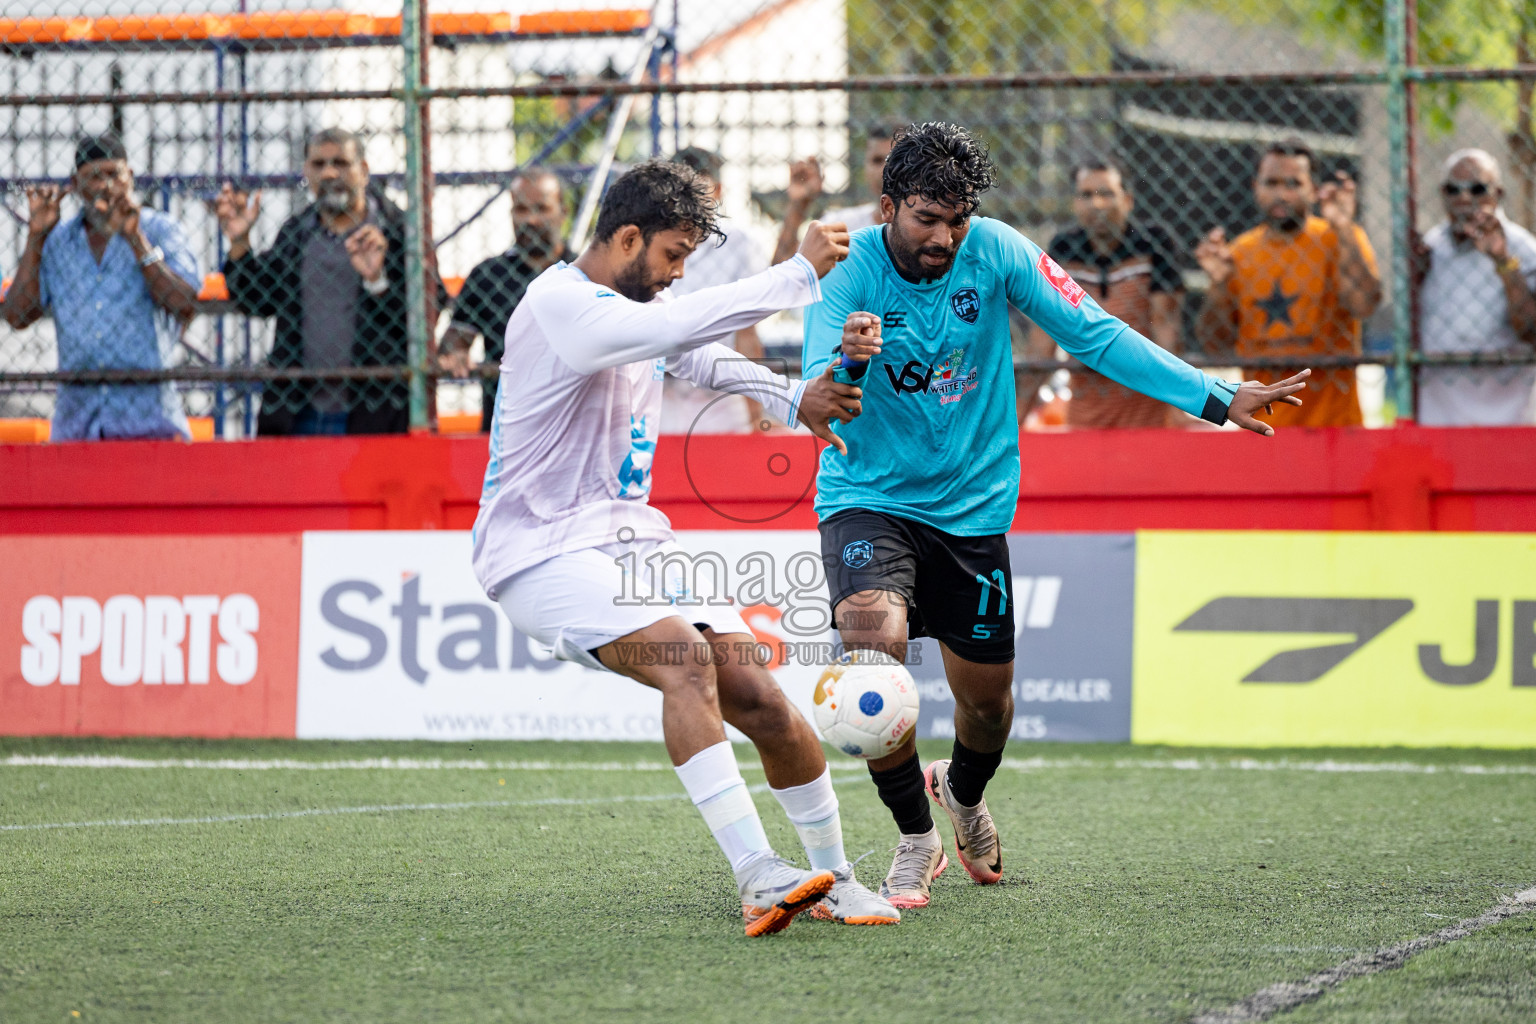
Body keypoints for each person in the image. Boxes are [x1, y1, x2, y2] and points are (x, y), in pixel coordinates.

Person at [803, 121, 1310, 910]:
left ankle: (961, 795)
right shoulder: (848, 271)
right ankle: (913, 836)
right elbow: (815, 391)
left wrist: (1214, 396)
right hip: (868, 498)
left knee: (987, 705)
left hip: (971, 508)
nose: (943, 238)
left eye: (956, 220)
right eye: (926, 220)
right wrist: (844, 362)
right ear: (888, 205)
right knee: (873, 652)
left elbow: (1096, 335)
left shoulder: (1000, 249)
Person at [470, 159, 899, 935]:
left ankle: (837, 877)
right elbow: (672, 328)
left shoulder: (630, 305)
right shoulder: (559, 304)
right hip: (538, 553)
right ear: (627, 236)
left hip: (624, 540)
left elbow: (695, 353)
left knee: (760, 694)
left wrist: (792, 394)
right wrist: (797, 273)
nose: (675, 275)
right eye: (671, 255)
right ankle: (758, 874)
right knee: (687, 661)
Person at [215, 127, 442, 436]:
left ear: (363, 171)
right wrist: (240, 244)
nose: (330, 173)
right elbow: (257, 300)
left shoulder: (401, 232)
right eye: (319, 165)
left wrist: (378, 281)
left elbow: (427, 316)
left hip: (375, 414)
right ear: (306, 172)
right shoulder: (298, 233)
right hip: (298, 413)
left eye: (341, 163)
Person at [4, 133, 200, 441]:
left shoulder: (160, 229)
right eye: (94, 176)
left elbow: (184, 304)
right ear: (76, 184)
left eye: (114, 174)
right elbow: (17, 314)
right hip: (77, 426)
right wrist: (36, 236)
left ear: (130, 177)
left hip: (149, 424)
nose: (106, 186)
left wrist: (136, 240)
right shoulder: (57, 242)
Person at [1195, 139, 1382, 427]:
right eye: (1271, 183)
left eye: (1293, 184)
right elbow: (1214, 347)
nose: (1281, 194)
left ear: (1314, 190)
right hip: (1263, 427)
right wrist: (1219, 287)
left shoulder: (1339, 238)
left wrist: (1344, 228)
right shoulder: (1240, 252)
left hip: (1334, 425)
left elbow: (1365, 304)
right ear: (1255, 187)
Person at [1022, 157, 1188, 428]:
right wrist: (1017, 420)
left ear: (1128, 200)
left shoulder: (1154, 244)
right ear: (1075, 202)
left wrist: (1180, 402)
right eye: (1086, 195)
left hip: (1149, 416)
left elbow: (1166, 327)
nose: (1096, 204)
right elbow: (1042, 341)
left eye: (1106, 194)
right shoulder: (1063, 249)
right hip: (1084, 418)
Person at [438, 169, 571, 431]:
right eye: (520, 209)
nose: (531, 220)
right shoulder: (487, 276)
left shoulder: (583, 274)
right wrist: (454, 353)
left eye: (542, 208)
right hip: (505, 427)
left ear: (562, 212)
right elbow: (453, 342)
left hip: (569, 423)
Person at [1415, 148, 1536, 425]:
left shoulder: (1523, 248)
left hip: (1507, 417)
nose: (1464, 198)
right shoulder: (1432, 247)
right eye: (1453, 189)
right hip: (1440, 416)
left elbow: (1531, 330)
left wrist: (1503, 261)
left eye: (1477, 188)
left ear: (1498, 194)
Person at [660, 147, 771, 433]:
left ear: (717, 191)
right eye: (678, 190)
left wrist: (755, 414)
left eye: (697, 188)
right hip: (663, 391)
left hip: (722, 393)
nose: (686, 200)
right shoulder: (652, 245)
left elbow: (748, 331)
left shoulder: (739, 245)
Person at [821, 124, 898, 233]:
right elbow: (799, 250)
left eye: (895, 160)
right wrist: (799, 204)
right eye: (877, 160)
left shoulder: (928, 231)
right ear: (865, 167)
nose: (884, 170)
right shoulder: (839, 225)